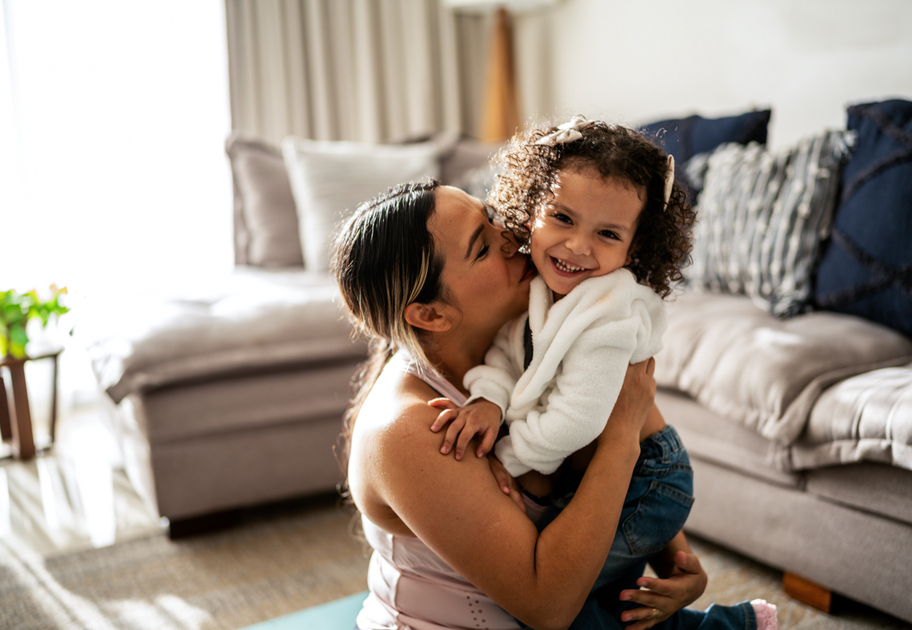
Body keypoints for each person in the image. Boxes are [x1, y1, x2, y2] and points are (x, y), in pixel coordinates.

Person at [332, 179, 775, 630]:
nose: (513, 237)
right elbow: (549, 606)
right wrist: (620, 437)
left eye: (492, 218)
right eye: (482, 248)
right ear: (431, 314)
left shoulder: (548, 333)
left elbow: (646, 459)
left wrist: (679, 564)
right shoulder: (409, 429)